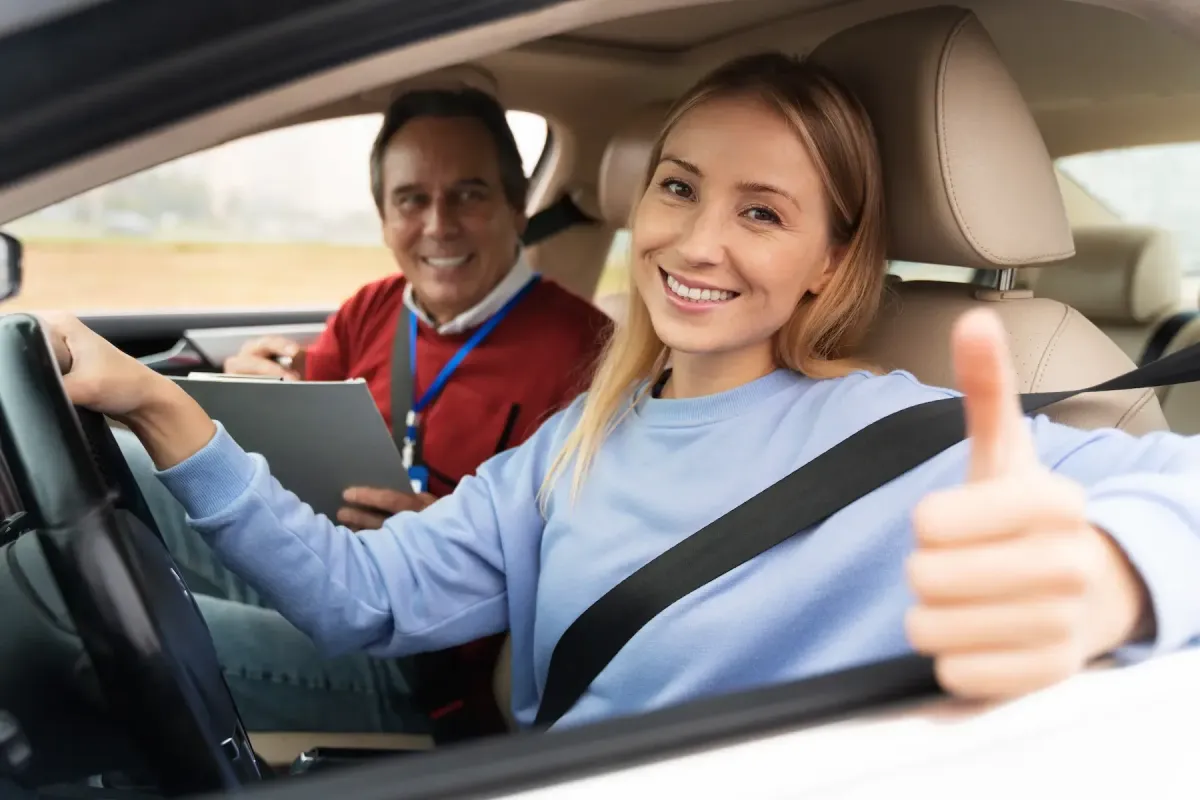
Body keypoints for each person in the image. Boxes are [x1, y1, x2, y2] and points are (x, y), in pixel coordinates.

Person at [63, 51, 1200, 733]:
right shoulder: (584, 432)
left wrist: (1111, 573)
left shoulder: (900, 431)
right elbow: (364, 595)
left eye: (762, 211)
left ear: (830, 258)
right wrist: (161, 407)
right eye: (679, 187)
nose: (697, 243)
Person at [114, 85, 611, 739]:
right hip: (314, 564)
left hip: (427, 656)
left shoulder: (588, 355)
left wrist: (460, 539)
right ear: (383, 218)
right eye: (412, 199)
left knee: (121, 634)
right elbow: (293, 445)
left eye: (469, 193)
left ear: (517, 208)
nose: (438, 224)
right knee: (119, 457)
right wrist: (265, 388)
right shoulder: (370, 310)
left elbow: (593, 565)